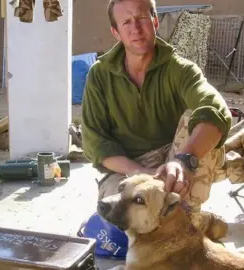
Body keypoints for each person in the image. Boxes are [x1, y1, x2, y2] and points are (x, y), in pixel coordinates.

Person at [81, 0, 232, 240]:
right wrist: (141, 172)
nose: (136, 29)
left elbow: (216, 109)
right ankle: (196, 224)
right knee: (127, 225)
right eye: (126, 22)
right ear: (115, 31)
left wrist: (184, 161)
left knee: (200, 118)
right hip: (126, 169)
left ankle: (187, 217)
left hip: (174, 160)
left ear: (155, 21)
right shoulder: (99, 76)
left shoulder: (181, 70)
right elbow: (94, 142)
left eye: (141, 19)